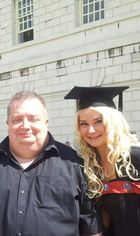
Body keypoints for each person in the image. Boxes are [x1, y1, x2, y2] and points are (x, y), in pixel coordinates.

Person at [0, 91, 103, 236]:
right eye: (17, 119)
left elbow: (91, 226)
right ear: (8, 124)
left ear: (46, 122)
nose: (25, 126)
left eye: (33, 119)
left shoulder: (74, 164)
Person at [64, 86, 140, 236]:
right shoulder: (89, 167)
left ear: (113, 122)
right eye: (84, 124)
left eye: (98, 121)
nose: (91, 130)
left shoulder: (135, 158)